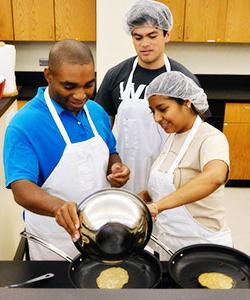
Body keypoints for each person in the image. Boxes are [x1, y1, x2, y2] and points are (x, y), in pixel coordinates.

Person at [3, 39, 130, 260]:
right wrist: (57, 207)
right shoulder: (25, 124)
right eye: (69, 86)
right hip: (54, 243)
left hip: (100, 233)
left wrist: (116, 167)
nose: (81, 95)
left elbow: (111, 150)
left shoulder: (96, 112)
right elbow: (21, 188)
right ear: (48, 76)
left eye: (89, 85)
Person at [95, 0, 210, 194]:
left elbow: (199, 134)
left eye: (152, 36)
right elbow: (101, 126)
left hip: (169, 175)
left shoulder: (183, 79)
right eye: (138, 37)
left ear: (167, 35)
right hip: (124, 174)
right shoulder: (116, 75)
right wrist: (111, 166)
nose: (144, 44)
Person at [139, 70, 232, 259]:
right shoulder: (171, 138)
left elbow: (214, 176)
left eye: (163, 109)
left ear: (187, 103)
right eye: (153, 111)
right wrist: (142, 197)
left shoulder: (211, 138)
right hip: (168, 244)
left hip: (203, 245)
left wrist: (157, 207)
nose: (157, 118)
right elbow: (169, 183)